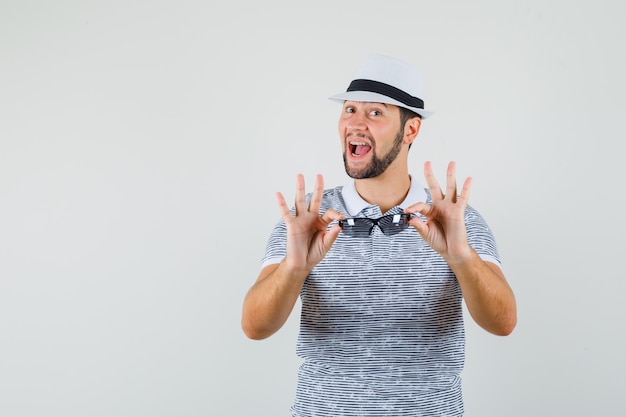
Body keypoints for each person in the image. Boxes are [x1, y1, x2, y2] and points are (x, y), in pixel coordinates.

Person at [241, 54, 517, 416]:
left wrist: (461, 256)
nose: (356, 123)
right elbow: (254, 327)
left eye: (375, 113)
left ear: (411, 130)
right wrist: (294, 268)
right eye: (350, 110)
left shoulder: (454, 218)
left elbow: (503, 323)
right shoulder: (306, 219)